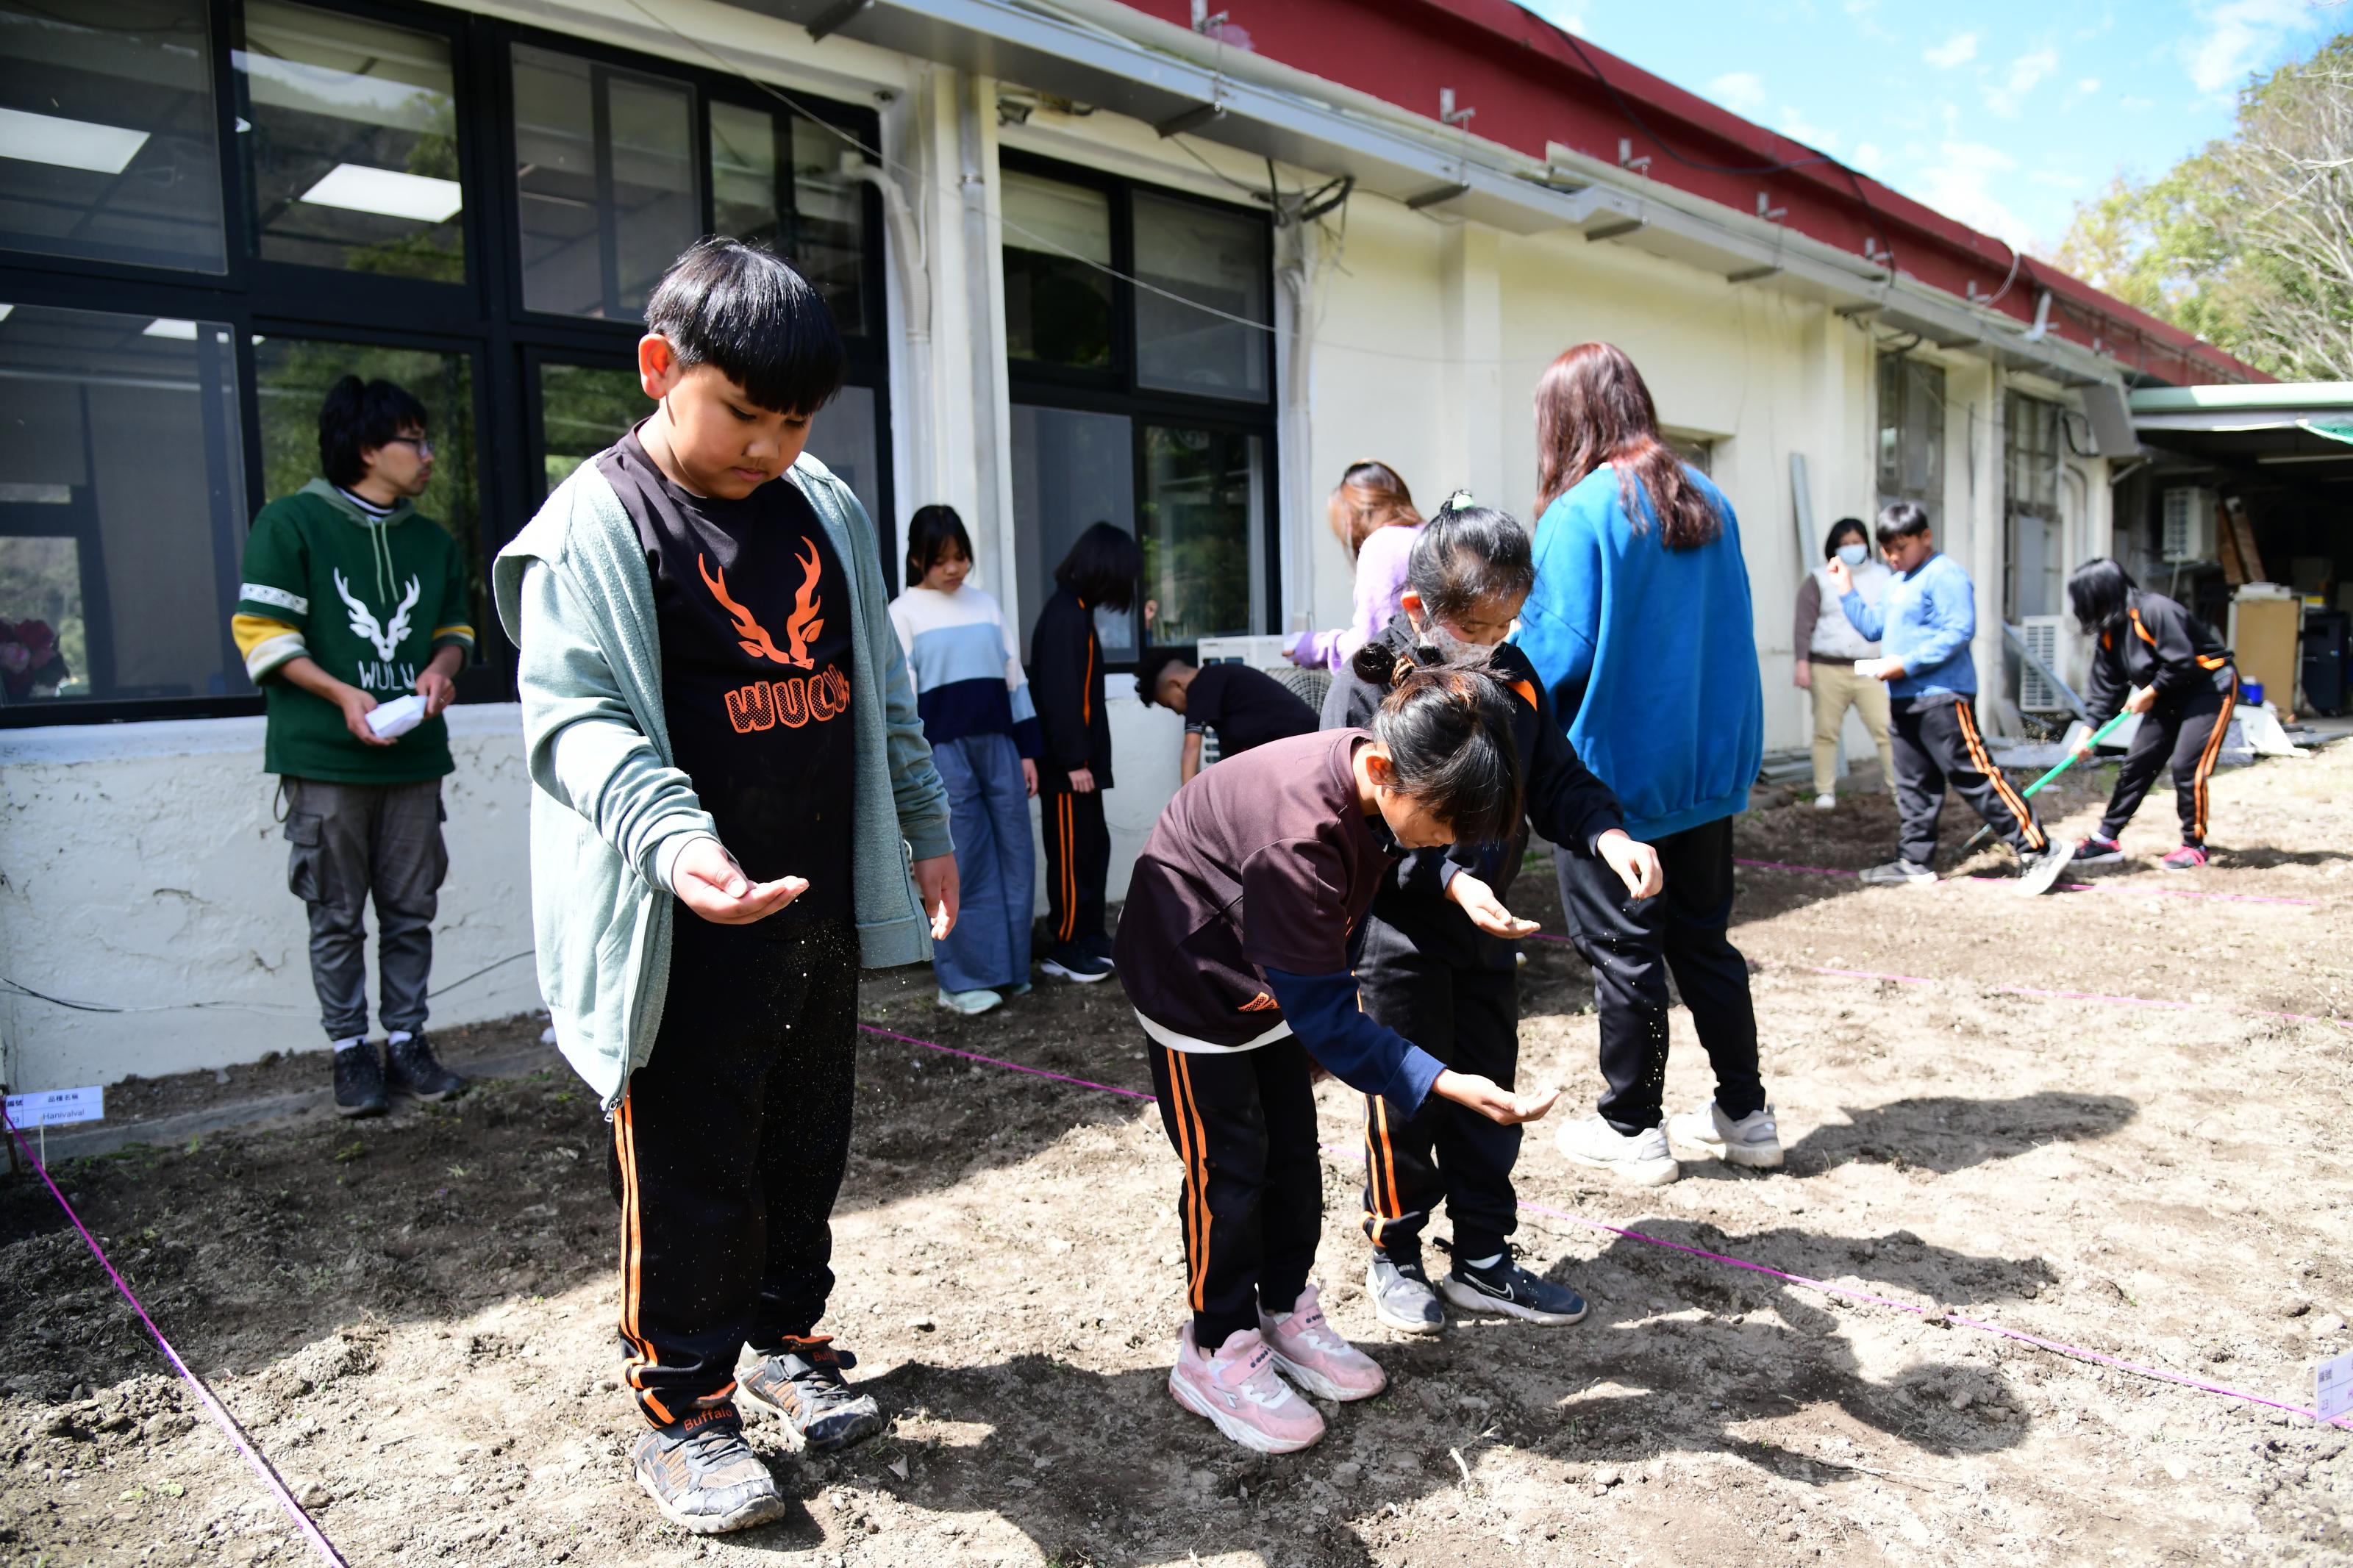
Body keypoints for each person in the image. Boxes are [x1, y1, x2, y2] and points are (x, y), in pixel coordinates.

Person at [493, 238, 957, 1537]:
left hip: (806, 914)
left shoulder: (826, 505)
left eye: (794, 420)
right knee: (695, 1168)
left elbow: (881, 690)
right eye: (743, 415)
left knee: (804, 1146)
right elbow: (579, 720)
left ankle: (784, 1336)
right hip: (678, 922)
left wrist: (922, 820)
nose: (768, 445)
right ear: (661, 368)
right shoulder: (598, 522)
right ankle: (683, 1405)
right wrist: (677, 843)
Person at [1114, 679, 1561, 1453]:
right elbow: (1327, 1018)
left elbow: (1334, 955)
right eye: (1442, 826)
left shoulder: (1381, 789)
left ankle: (1283, 1309)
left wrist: (1454, 880)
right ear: (1384, 769)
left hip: (1274, 978)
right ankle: (1214, 1347)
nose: (1441, 840)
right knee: (1229, 1175)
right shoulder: (1299, 835)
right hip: (1196, 982)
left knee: (1292, 1157)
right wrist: (1446, 1082)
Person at [1324, 493, 1660, 1333]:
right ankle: (1394, 1251)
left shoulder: (1513, 678)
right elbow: (1349, 823)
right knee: (1402, 1098)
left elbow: (1554, 779)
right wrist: (1445, 880)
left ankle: (1482, 1256)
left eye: (1509, 622)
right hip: (1394, 933)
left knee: (1488, 1088)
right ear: (1418, 610)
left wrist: (1607, 833)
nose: (1494, 642)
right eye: (1477, 626)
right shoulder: (1369, 684)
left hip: (1486, 930)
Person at [1513, 341, 1778, 1188]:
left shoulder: (1578, 514)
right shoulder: (1708, 500)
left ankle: (1632, 1126)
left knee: (1624, 953)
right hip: (1703, 769)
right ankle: (1745, 1114)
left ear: (1565, 420)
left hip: (1611, 782)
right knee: (1704, 945)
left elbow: (1552, 657)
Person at [230, 376, 474, 1119]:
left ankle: (406, 1041)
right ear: (368, 449)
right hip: (325, 761)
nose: (429, 456)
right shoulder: (291, 524)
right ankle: (350, 1054)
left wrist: (440, 671)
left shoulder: (433, 542)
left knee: (410, 910)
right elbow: (262, 636)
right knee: (335, 914)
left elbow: (453, 633)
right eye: (414, 441)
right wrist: (343, 695)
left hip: (413, 762)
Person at [1830, 501, 2074, 895]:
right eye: (1887, 549)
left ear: (1926, 538)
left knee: (1975, 775)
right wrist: (1846, 591)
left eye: (1901, 547)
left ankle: (2040, 849)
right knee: (1914, 783)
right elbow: (1874, 628)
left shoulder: (1944, 575)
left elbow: (1959, 630)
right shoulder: (1897, 583)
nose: (1893, 556)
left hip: (1942, 697)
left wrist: (1906, 664)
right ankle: (1914, 860)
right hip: (1904, 698)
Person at [890, 504, 1041, 1014]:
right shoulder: (903, 612)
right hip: (942, 753)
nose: (953, 569)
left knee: (1018, 856)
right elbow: (900, 700)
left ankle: (1011, 970)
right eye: (941, 560)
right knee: (963, 860)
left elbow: (1013, 678)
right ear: (917, 560)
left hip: (1000, 745)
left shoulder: (986, 605)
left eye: (961, 558)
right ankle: (959, 982)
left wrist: (1027, 751)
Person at [2063, 558, 2238, 870]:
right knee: (2137, 764)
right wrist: (2086, 734)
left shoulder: (2155, 610)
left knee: (2188, 766)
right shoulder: (2110, 630)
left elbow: (2182, 661)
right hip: (2166, 694)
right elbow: (2105, 688)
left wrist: (2150, 691)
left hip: (2208, 688)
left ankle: (2194, 845)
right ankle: (2106, 841)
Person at [1029, 521, 1139, 983]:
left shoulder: (1077, 611)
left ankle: (1090, 935)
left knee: (1094, 847)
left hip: (1084, 768)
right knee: (1073, 856)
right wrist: (1074, 760)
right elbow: (1058, 695)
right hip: (1068, 769)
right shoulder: (1064, 615)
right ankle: (1066, 944)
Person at [1793, 517, 1896, 809]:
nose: (1852, 548)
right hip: (1829, 665)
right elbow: (1804, 624)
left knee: (1886, 729)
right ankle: (1824, 791)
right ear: (1834, 548)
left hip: (1871, 665)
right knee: (1825, 732)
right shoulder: (1820, 578)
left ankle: (1899, 789)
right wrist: (1802, 663)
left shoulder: (1884, 577)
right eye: (1845, 544)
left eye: (1857, 542)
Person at [1287, 461, 1424, 672]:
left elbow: (1375, 646)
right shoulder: (1429, 535)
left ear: (1355, 517)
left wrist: (1315, 648)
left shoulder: (1385, 545)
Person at [1135, 649, 1316, 784]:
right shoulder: (1220, 680)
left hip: (1301, 751)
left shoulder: (1200, 686)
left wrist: (1184, 806)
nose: (1176, 712)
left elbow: (1191, 750)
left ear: (1176, 685)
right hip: (1301, 748)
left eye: (1169, 705)